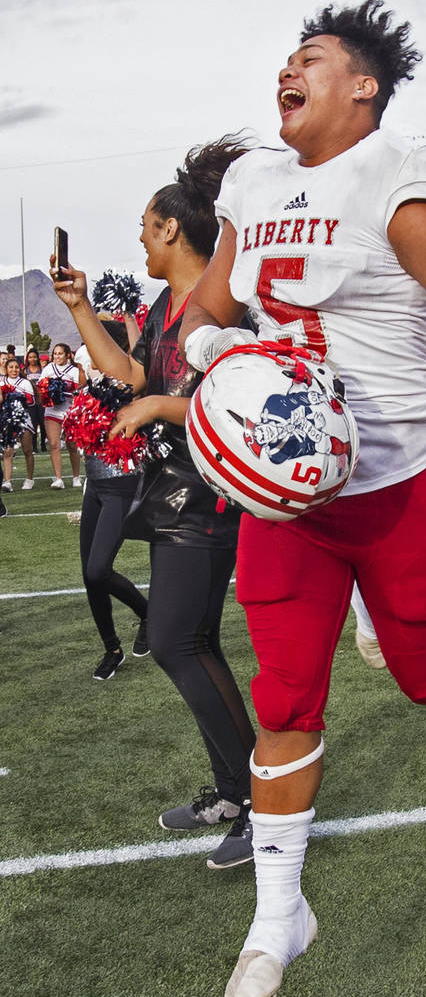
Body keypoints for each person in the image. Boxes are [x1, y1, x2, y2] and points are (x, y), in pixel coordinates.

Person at [177, 0, 426, 997]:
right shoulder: (253, 181)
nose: (287, 67)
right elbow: (210, 311)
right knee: (284, 697)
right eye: (284, 54)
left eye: (309, 56)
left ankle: (377, 613)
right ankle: (278, 915)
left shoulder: (401, 170)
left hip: (401, 482)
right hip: (290, 491)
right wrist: (212, 355)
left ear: (361, 84)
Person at [51, 136, 257, 869]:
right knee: (192, 643)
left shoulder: (222, 303)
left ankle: (262, 803)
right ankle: (235, 793)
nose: (139, 235)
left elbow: (229, 398)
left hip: (209, 498)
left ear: (172, 228)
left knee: (174, 642)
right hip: (176, 496)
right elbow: (135, 373)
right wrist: (78, 310)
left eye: (145, 223)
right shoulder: (167, 302)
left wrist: (159, 409)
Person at [73, 320, 150, 680]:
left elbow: (137, 357)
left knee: (97, 568)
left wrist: (131, 322)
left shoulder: (131, 383)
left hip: (121, 482)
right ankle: (112, 649)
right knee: (91, 576)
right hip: (95, 484)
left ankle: (147, 613)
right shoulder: (92, 381)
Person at [40, 343, 81, 488]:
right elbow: (41, 389)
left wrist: (62, 393)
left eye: (60, 353)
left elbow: (79, 393)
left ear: (68, 355)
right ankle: (59, 479)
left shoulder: (74, 371)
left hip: (69, 411)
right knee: (53, 444)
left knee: (72, 445)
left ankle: (76, 477)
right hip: (52, 411)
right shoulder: (48, 369)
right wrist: (48, 393)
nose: (57, 356)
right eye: (55, 353)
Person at [1, 357, 35, 491]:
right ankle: (8, 481)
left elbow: (31, 402)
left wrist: (17, 397)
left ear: (19, 369)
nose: (14, 370)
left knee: (27, 450)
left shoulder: (25, 383)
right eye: (11, 367)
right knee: (7, 451)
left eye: (16, 367)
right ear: (6, 369)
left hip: (23, 419)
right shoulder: (1, 382)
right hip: (8, 420)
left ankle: (29, 479)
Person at [23, 347, 47, 451]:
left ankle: (43, 444)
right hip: (30, 401)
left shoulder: (43, 369)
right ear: (27, 359)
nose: (32, 359)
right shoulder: (24, 371)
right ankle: (34, 446)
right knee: (33, 422)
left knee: (43, 423)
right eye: (30, 357)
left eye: (34, 357)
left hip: (42, 399)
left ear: (38, 358)